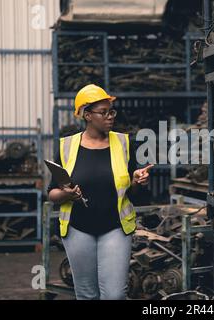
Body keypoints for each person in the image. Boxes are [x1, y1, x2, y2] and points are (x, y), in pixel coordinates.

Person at [47, 84, 153, 300]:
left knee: (114, 295)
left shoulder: (123, 143)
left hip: (115, 228)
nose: (110, 116)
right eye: (103, 112)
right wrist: (67, 195)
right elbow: (52, 193)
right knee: (87, 295)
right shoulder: (67, 146)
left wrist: (136, 181)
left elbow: (131, 193)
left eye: (111, 111)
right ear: (87, 115)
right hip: (78, 229)